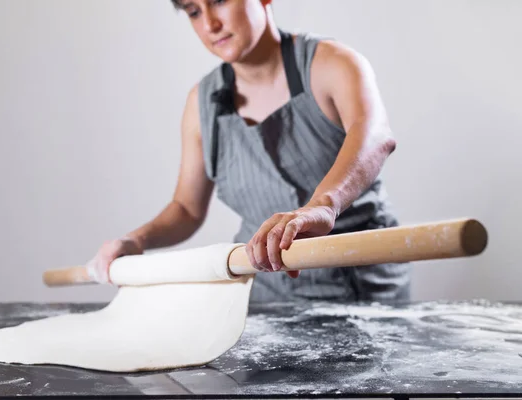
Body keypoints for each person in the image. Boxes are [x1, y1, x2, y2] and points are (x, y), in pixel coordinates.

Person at [85, 0, 411, 303]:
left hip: (362, 292)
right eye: (193, 11)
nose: (210, 23)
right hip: (264, 296)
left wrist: (324, 206)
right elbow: (186, 208)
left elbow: (374, 135)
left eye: (218, 0)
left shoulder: (332, 63)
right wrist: (137, 240)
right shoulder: (201, 104)